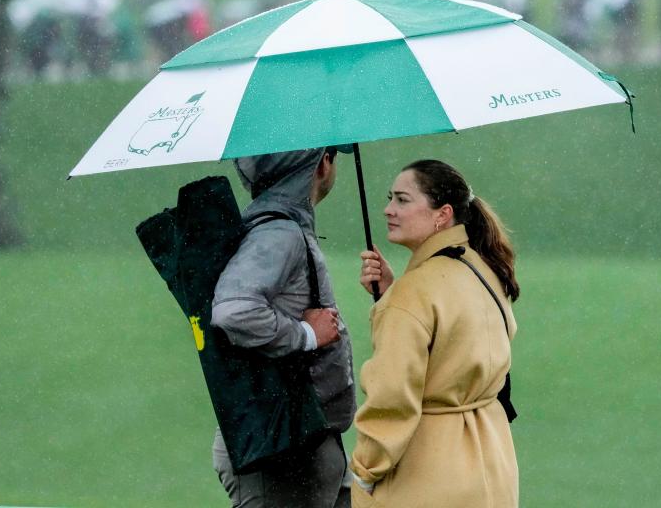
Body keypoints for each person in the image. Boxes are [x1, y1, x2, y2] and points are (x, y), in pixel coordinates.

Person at [351, 160, 520, 507]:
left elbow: (391, 398)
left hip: (429, 475)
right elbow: (458, 347)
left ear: (442, 214)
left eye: (402, 199)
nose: (388, 209)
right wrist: (391, 295)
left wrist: (364, 472)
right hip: (494, 464)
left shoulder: (414, 294)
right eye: (389, 198)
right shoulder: (482, 266)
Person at [210, 147, 356, 508]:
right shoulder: (280, 233)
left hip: (301, 436)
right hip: (282, 445)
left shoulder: (282, 226)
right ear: (322, 164)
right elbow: (233, 311)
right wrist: (305, 335)